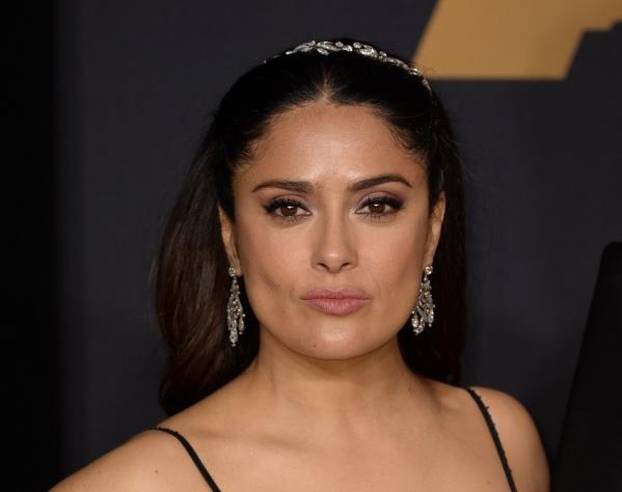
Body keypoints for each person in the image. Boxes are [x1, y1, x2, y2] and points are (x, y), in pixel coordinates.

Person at [52, 38, 550, 491]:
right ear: (230, 236)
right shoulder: (137, 485)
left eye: (377, 205)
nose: (334, 253)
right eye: (288, 208)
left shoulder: (501, 436)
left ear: (432, 229)